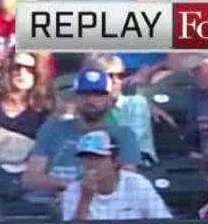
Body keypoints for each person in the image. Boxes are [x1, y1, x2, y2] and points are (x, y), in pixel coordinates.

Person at [22, 70, 142, 201]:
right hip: (49, 204)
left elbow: (128, 182)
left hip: (102, 206)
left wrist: (79, 193)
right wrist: (71, 189)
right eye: (85, 94)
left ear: (109, 99)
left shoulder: (124, 135)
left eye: (98, 94)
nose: (91, 100)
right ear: (75, 98)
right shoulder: (51, 129)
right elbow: (31, 179)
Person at [60, 130, 173, 222]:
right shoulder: (73, 191)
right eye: (86, 158)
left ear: (115, 161)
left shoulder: (138, 185)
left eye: (98, 158)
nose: (91, 164)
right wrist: (85, 198)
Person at [0, 51, 52, 140]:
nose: (22, 72)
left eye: (29, 69)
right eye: (17, 67)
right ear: (8, 71)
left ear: (37, 74)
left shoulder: (44, 109)